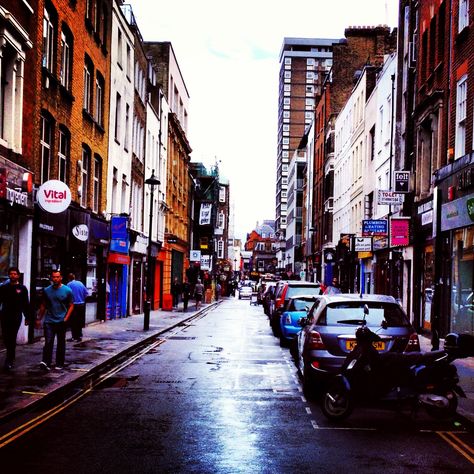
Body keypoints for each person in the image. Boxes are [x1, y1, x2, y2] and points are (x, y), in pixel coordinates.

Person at [37, 270, 74, 371]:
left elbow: (71, 305)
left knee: (61, 343)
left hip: (61, 321)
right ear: (51, 278)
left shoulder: (67, 290)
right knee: (48, 341)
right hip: (49, 320)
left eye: (57, 277)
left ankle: (59, 363)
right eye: (53, 277)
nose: (55, 279)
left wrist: (66, 318)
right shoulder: (47, 290)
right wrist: (39, 318)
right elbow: (43, 305)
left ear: (61, 278)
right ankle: (46, 362)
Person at [0, 267, 31, 371]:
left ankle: (9, 359)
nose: (13, 275)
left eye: (15, 274)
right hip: (4, 315)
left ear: (18, 275)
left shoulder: (22, 288)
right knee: (5, 337)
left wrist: (27, 317)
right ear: (9, 275)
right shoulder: (4, 288)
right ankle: (10, 355)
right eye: (11, 274)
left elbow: (26, 304)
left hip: (16, 316)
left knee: (12, 337)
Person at [67, 273, 89, 342]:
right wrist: (82, 299)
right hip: (81, 305)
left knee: (73, 321)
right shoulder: (80, 283)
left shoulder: (69, 285)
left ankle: (74, 336)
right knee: (79, 321)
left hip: (73, 305)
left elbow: (67, 295)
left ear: (69, 278)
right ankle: (79, 336)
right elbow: (86, 293)